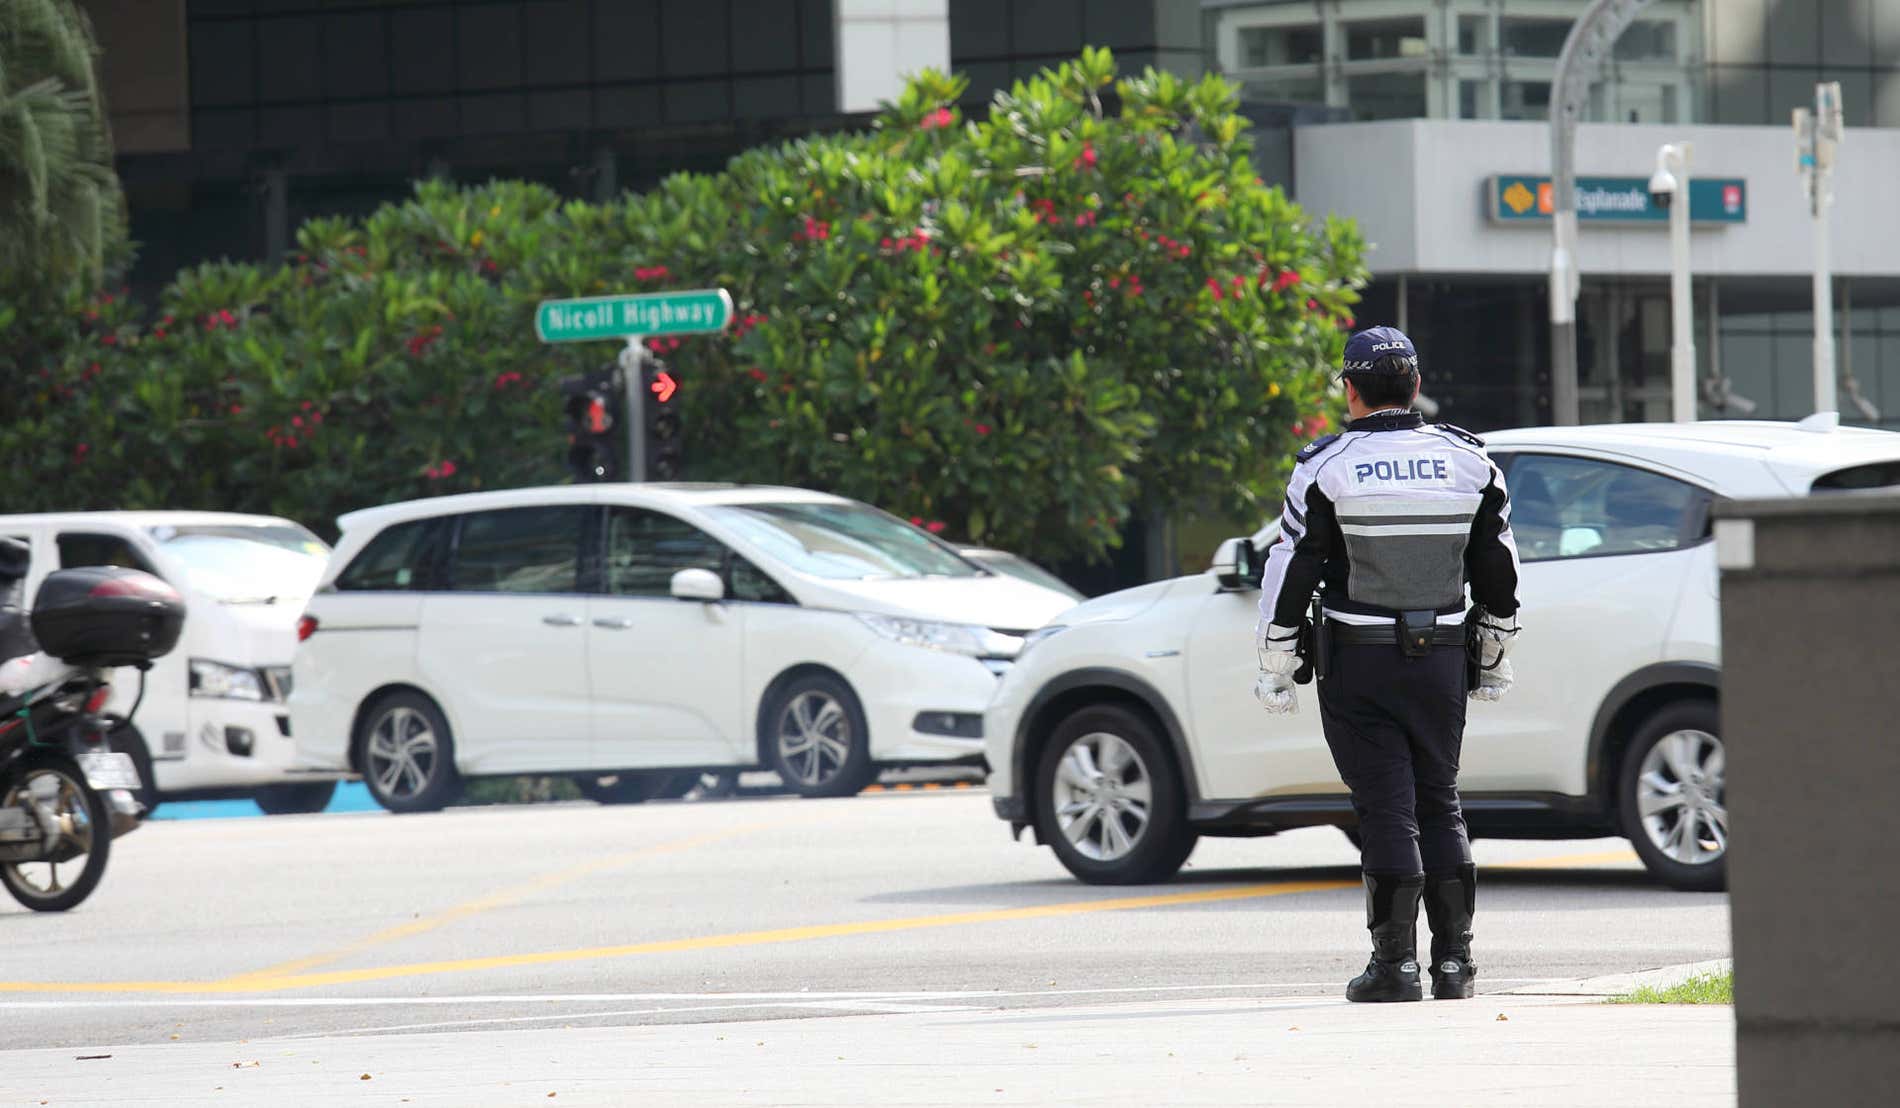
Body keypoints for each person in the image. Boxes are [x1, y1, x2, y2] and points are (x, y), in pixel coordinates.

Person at [1253, 326, 1522, 1003]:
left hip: (1360, 660)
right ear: (1416, 386)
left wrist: (1275, 656)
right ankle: (1456, 967)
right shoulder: (1469, 460)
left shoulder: (1327, 465)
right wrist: (1496, 648)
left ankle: (1394, 968)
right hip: (1442, 659)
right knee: (1440, 800)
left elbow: (1293, 565)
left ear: (1350, 390)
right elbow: (1498, 565)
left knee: (1385, 810)